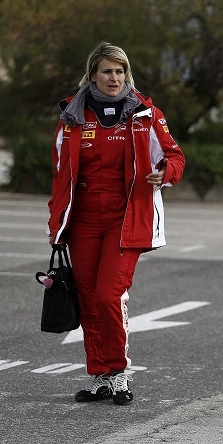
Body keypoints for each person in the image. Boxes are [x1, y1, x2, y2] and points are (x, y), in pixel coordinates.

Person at [47, 41, 185, 405]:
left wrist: (164, 173)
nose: (114, 77)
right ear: (93, 74)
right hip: (83, 221)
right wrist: (56, 225)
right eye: (107, 70)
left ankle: (120, 372)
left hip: (126, 219)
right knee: (89, 299)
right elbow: (60, 175)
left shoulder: (144, 113)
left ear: (127, 75)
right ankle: (100, 376)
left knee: (109, 294)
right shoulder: (72, 116)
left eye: (120, 71)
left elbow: (175, 157)